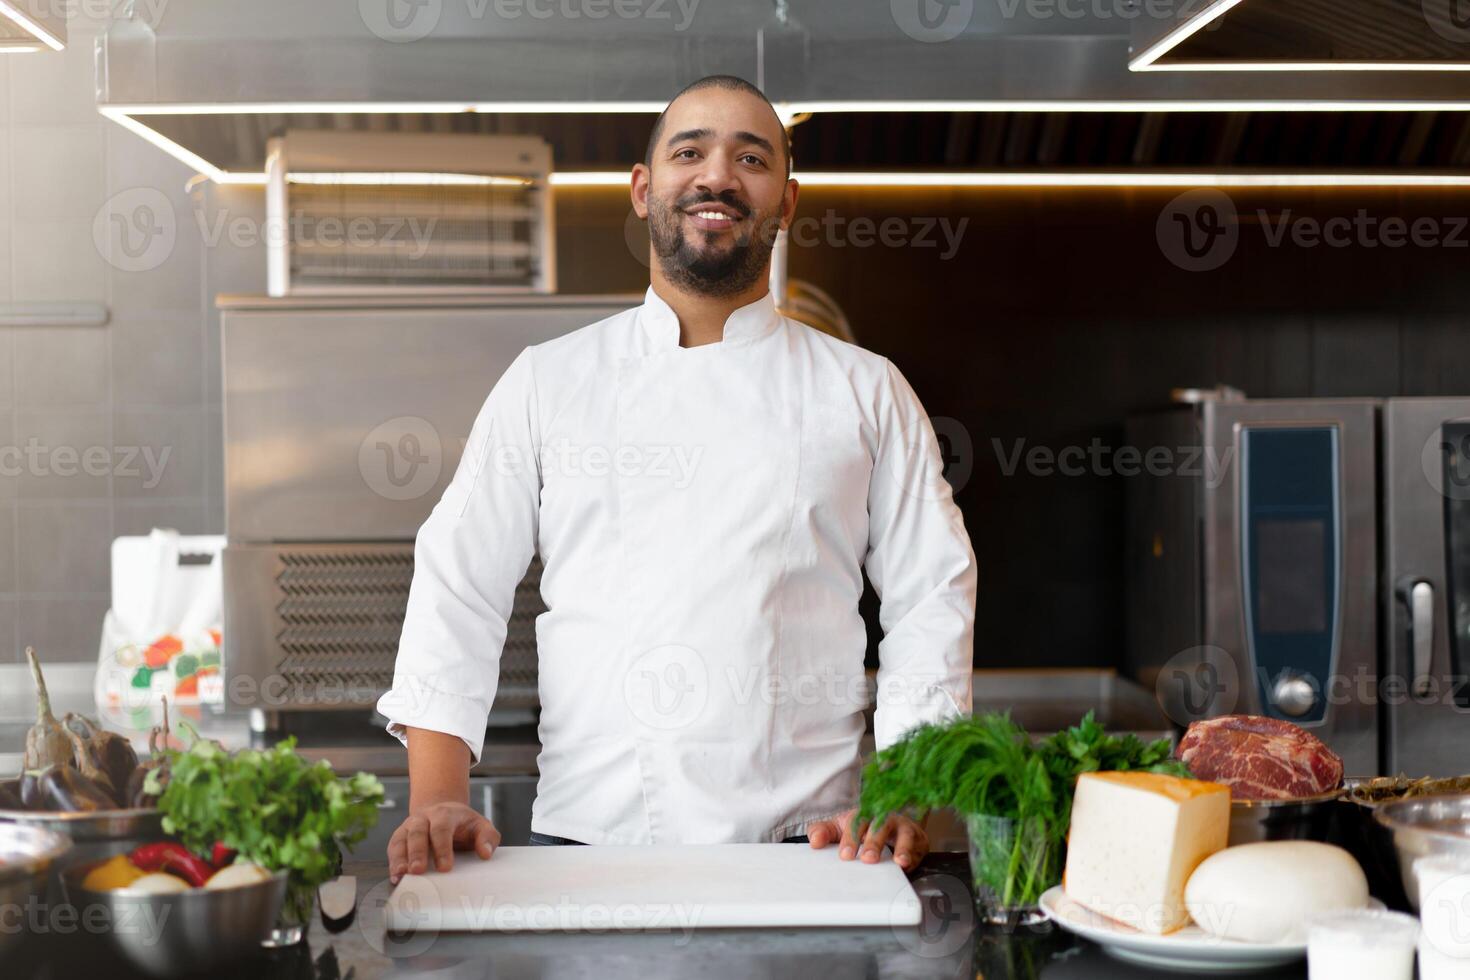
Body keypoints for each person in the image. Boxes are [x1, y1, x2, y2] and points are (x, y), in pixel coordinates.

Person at [380, 75, 976, 885]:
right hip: (590, 842)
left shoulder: (865, 390)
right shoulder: (548, 382)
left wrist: (912, 789)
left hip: (815, 849)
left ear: (787, 200)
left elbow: (930, 596)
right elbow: (459, 585)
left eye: (751, 158)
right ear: (642, 188)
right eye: (689, 151)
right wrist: (436, 797)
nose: (718, 177)